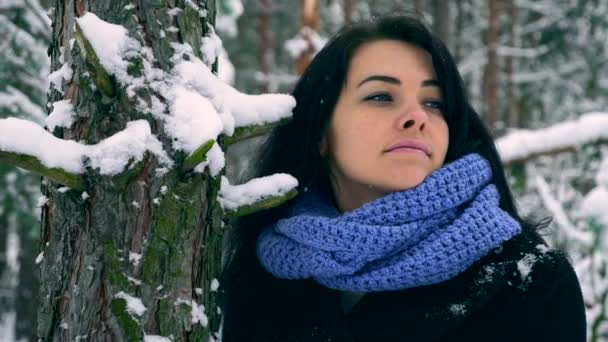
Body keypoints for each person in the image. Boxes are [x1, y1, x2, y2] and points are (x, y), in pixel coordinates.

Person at [219, 15, 586, 342]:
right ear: (320, 133)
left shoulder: (529, 280)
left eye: (434, 102)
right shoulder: (257, 280)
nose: (416, 117)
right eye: (381, 96)